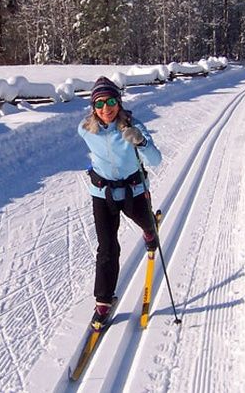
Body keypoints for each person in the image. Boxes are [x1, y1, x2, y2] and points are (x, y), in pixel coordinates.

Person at [77, 76, 162, 330]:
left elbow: (156, 160)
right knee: (107, 247)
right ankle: (103, 301)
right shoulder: (85, 129)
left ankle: (150, 231)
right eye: (100, 103)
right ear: (93, 107)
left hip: (133, 190)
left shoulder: (132, 126)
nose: (106, 108)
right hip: (102, 194)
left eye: (111, 101)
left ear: (119, 102)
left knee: (146, 223)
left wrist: (142, 142)